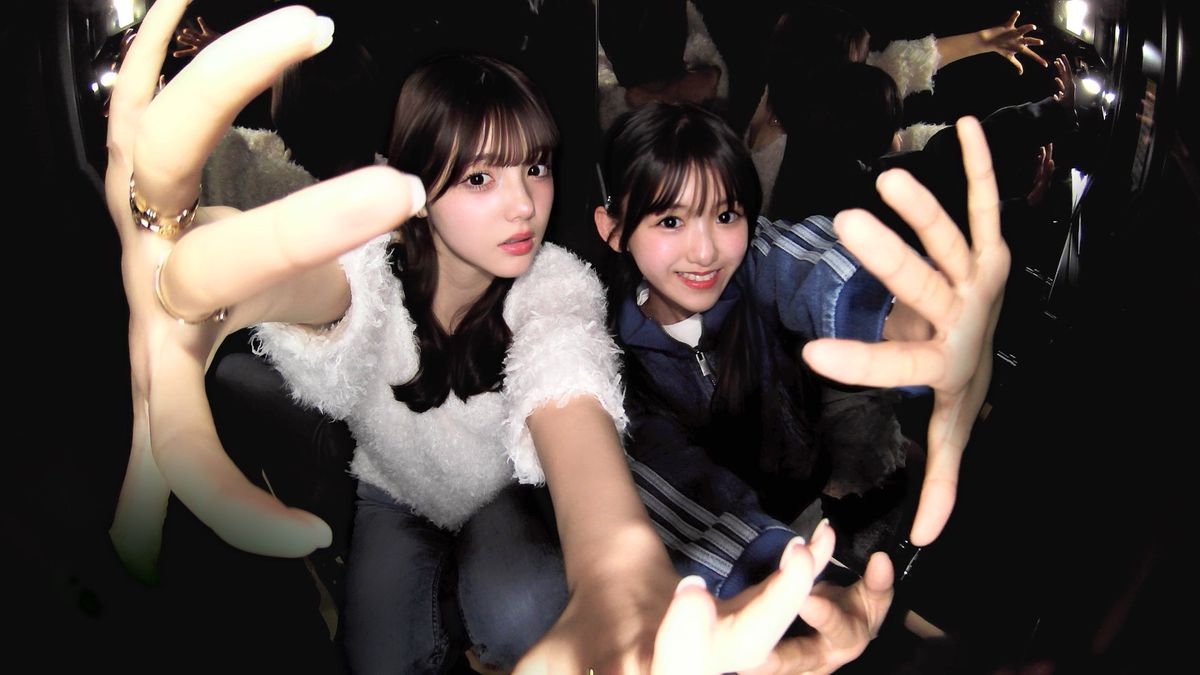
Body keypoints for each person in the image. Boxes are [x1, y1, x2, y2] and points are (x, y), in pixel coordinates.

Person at [103, 3, 843, 673]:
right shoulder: (370, 268)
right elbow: (308, 285)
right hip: (393, 491)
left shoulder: (554, 285)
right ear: (415, 187)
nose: (523, 205)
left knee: (521, 606)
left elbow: (569, 384)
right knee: (377, 657)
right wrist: (204, 288)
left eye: (535, 166)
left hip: (504, 496)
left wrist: (618, 570)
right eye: (480, 179)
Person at [594, 102, 1011, 597]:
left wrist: (922, 322)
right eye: (670, 221)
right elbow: (685, 501)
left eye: (725, 215)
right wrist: (792, 584)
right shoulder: (608, 369)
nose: (705, 251)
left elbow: (809, 261)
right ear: (613, 229)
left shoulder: (754, 261)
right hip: (757, 564)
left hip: (833, 493)